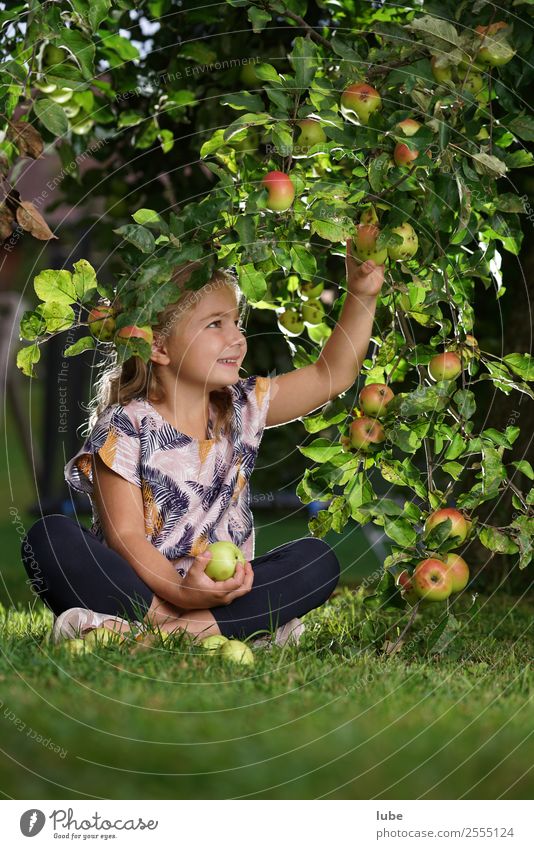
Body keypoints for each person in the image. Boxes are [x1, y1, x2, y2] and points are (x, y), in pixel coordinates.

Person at [21, 247, 385, 645]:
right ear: (158, 347)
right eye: (215, 324)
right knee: (50, 540)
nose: (237, 338)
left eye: (235, 321)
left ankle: (152, 634)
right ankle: (206, 629)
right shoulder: (125, 425)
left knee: (315, 561)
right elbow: (126, 538)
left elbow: (330, 375)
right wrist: (181, 593)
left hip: (221, 593)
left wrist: (362, 294)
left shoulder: (244, 408)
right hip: (141, 590)